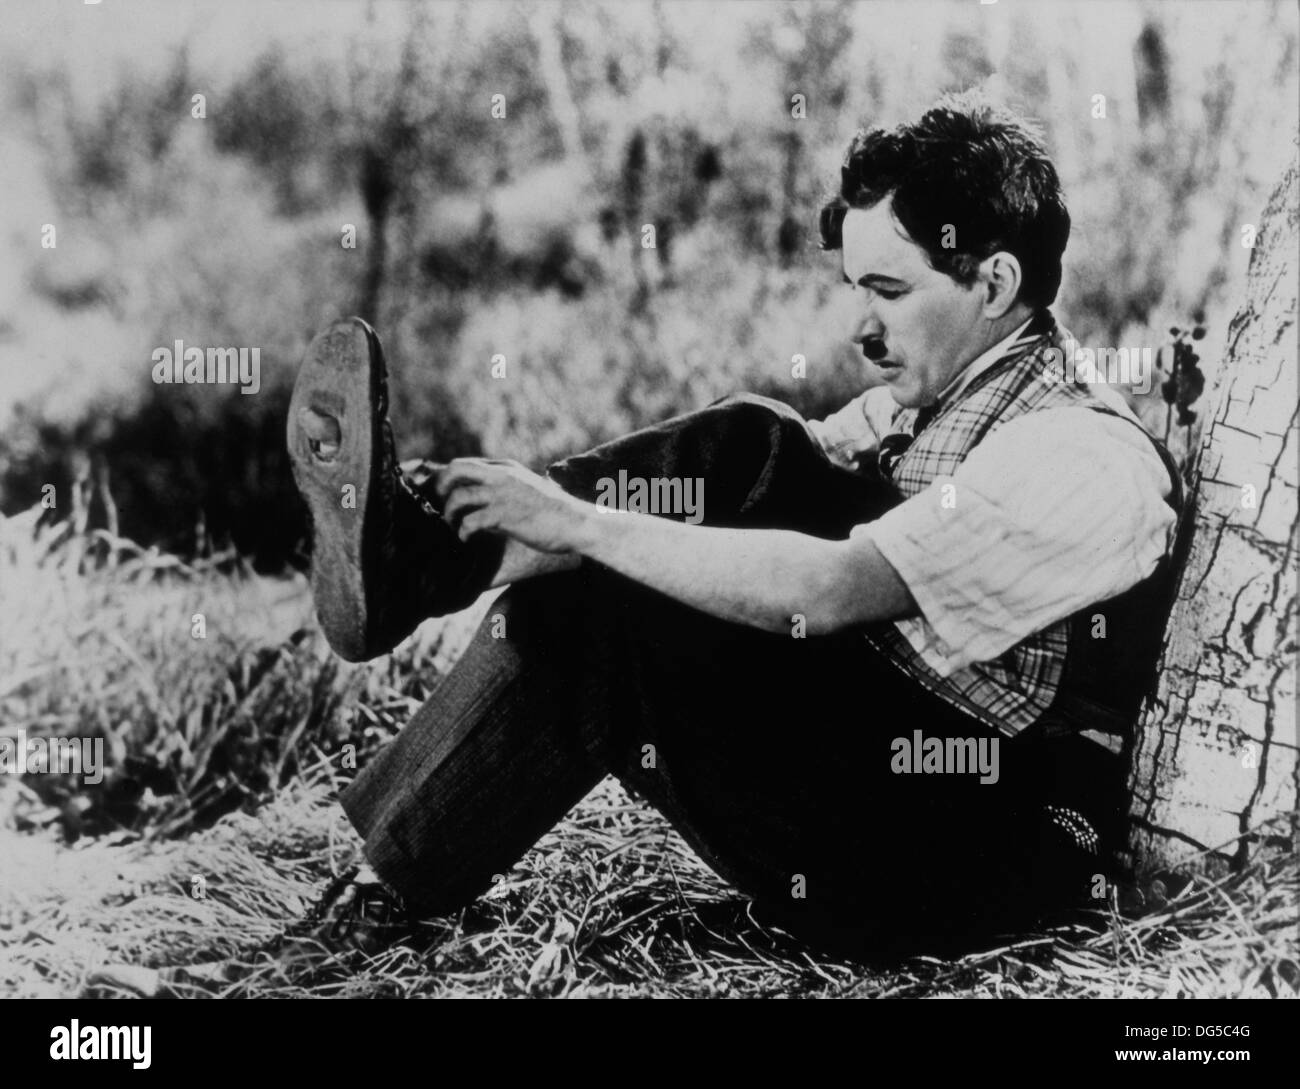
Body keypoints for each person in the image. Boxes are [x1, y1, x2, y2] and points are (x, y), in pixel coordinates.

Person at [282, 91, 1182, 956]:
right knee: (745, 451)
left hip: (969, 845)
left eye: (890, 292)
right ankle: (419, 568)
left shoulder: (1082, 458)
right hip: (885, 768)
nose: (862, 332)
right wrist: (561, 530)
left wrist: (574, 522)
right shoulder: (937, 401)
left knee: (617, 595)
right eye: (856, 291)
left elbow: (828, 590)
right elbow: (738, 493)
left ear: (993, 281)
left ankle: (423, 591)